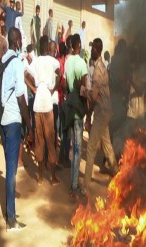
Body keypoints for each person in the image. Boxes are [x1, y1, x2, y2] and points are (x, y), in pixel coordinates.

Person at [1, 27, 33, 231]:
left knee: (9, 168)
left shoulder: (4, 62)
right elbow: (21, 97)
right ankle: (11, 219)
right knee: (12, 172)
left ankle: (9, 211)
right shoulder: (16, 64)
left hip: (5, 121)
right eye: (20, 40)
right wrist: (28, 122)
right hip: (14, 121)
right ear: (16, 42)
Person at [82, 38, 118, 193]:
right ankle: (118, 175)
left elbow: (94, 96)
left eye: (92, 49)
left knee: (90, 148)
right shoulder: (103, 66)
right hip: (106, 110)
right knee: (107, 145)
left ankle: (85, 187)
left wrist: (82, 89)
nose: (91, 51)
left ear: (97, 50)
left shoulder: (97, 71)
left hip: (101, 112)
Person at [25, 36, 60, 185]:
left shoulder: (36, 61)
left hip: (38, 101)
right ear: (48, 47)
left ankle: (39, 177)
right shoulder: (54, 61)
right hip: (47, 101)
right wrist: (54, 88)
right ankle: (52, 177)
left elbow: (25, 75)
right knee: (50, 139)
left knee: (39, 140)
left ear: (40, 47)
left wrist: (33, 88)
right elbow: (59, 74)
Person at [64, 34, 88, 198]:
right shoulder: (81, 63)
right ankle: (74, 185)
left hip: (69, 105)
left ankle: (73, 182)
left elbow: (66, 85)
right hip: (78, 108)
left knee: (73, 146)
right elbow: (85, 88)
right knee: (78, 148)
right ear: (78, 44)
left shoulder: (67, 62)